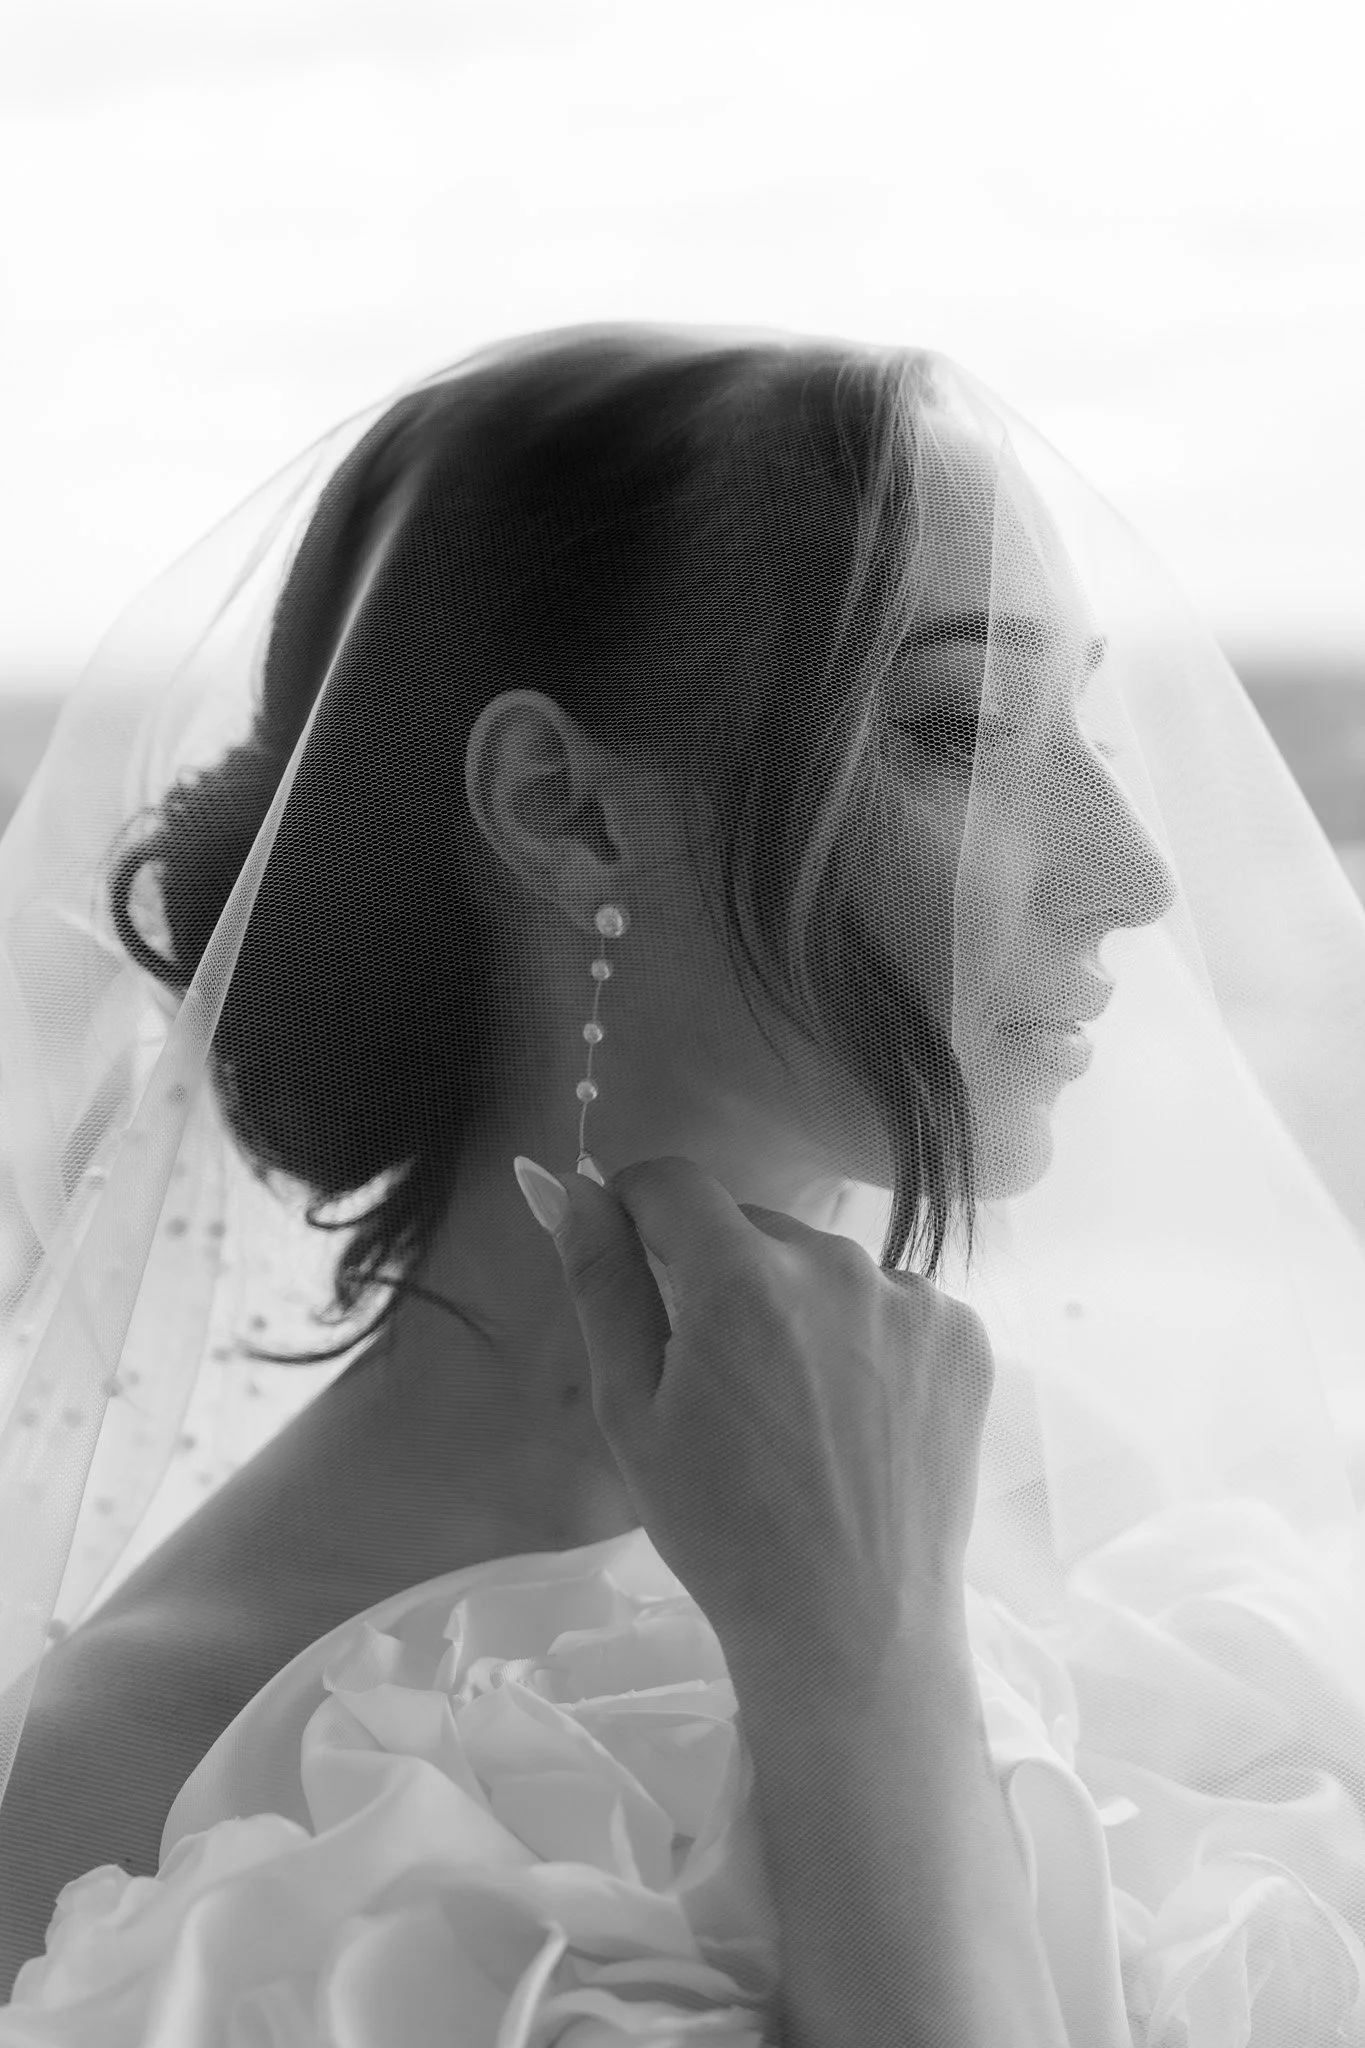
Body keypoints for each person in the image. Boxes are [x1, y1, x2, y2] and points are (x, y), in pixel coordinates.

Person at [1, 323, 1364, 2045]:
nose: (1131, 869)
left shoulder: (1094, 1508)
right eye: (956, 729)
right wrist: (856, 1666)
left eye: (1077, 722)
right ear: (563, 809)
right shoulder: (139, 1769)